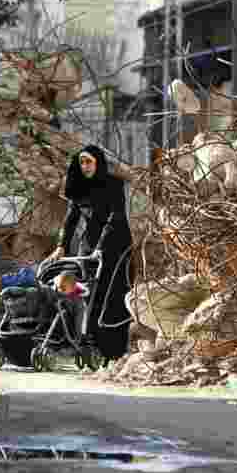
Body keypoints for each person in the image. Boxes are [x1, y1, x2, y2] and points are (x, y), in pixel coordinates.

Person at [46, 145, 133, 360]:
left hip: (115, 245)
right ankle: (85, 342)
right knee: (85, 294)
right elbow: (70, 220)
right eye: (82, 162)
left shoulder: (114, 185)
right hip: (88, 247)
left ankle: (112, 349)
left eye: (89, 162)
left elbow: (116, 217)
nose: (85, 166)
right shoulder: (79, 187)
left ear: (98, 163)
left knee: (109, 294)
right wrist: (61, 246)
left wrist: (101, 247)